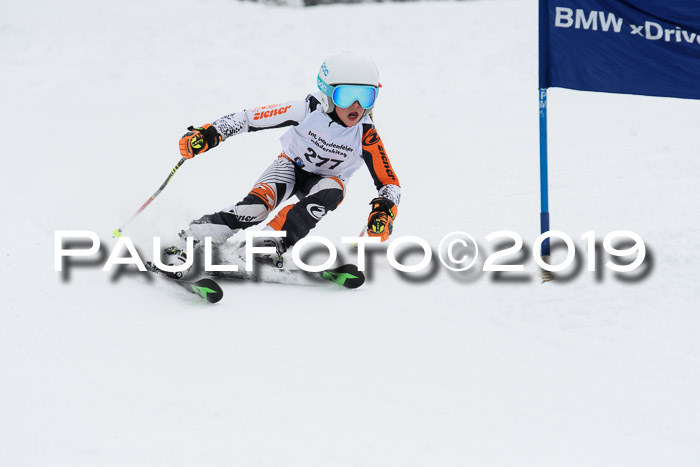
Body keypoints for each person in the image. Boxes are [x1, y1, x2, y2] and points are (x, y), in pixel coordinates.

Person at [159, 51, 401, 274]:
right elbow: (247, 118)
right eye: (346, 95)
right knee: (254, 210)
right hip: (290, 168)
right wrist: (209, 134)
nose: (356, 106)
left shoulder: (366, 135)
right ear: (327, 93)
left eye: (367, 96)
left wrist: (384, 211)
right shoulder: (308, 110)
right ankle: (190, 239)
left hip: (324, 182)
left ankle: (266, 244)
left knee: (333, 190)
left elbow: (389, 182)